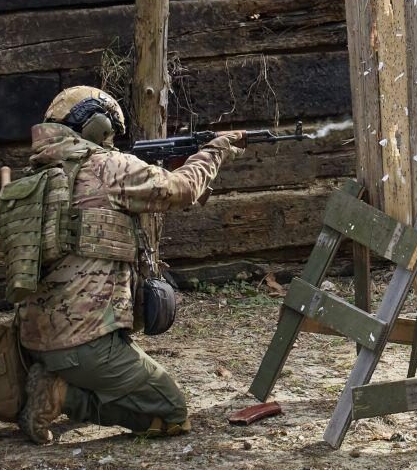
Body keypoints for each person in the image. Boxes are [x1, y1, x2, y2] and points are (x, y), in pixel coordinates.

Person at [13, 86, 244, 443]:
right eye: (109, 131)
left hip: (33, 338)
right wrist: (214, 152)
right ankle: (63, 396)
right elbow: (182, 188)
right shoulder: (108, 168)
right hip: (85, 344)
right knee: (172, 412)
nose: (112, 140)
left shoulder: (35, 177)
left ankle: (59, 379)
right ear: (95, 125)